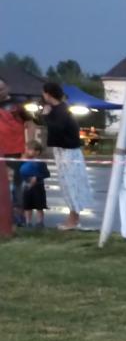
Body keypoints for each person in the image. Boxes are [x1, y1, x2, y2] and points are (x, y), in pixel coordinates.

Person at [41, 82, 92, 230]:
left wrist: (46, 116)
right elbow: (45, 122)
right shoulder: (55, 109)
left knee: (72, 184)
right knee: (66, 185)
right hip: (62, 150)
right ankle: (72, 217)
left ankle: (74, 219)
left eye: (44, 93)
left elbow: (57, 127)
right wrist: (44, 115)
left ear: (48, 94)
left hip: (69, 151)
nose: (43, 96)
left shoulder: (62, 110)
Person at [0, 77, 25, 237]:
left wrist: (28, 146)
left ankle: (16, 221)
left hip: (15, 151)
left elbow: (30, 123)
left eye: (1, 89)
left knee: (16, 186)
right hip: (0, 152)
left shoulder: (17, 105)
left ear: (7, 88)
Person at [19, 142, 49, 227]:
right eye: (27, 149)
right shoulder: (23, 161)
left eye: (29, 149)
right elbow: (20, 172)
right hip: (27, 186)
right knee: (27, 206)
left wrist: (37, 177)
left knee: (39, 206)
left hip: (38, 187)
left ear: (37, 152)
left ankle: (40, 222)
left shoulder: (40, 162)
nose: (27, 151)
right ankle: (28, 222)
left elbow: (46, 174)